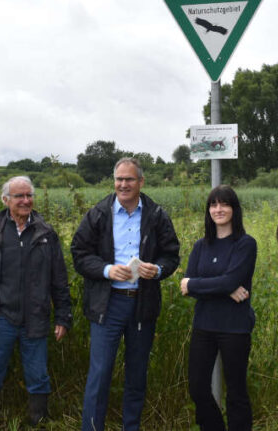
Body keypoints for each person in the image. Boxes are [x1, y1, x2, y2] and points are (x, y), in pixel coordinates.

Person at [71, 157, 180, 431]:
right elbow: (80, 254)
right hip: (107, 305)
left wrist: (156, 270)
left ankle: (130, 427)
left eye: (129, 179)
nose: (123, 184)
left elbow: (171, 255)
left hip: (142, 304)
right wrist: (107, 270)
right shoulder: (98, 214)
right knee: (100, 374)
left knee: (136, 375)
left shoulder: (156, 215)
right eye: (119, 179)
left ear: (141, 182)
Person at [0, 176, 73, 431]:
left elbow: (59, 278)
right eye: (20, 196)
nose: (26, 201)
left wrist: (62, 316)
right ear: (6, 200)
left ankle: (39, 425)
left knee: (38, 379)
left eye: (29, 195)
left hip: (35, 319)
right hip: (1, 319)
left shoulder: (46, 233)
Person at [180, 185, 257, 431]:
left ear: (234, 209)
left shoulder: (245, 244)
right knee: (197, 387)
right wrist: (226, 287)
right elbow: (186, 287)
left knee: (236, 391)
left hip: (235, 327)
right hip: (204, 325)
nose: (218, 209)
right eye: (213, 205)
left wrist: (200, 284)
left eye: (224, 204)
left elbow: (196, 283)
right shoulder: (200, 246)